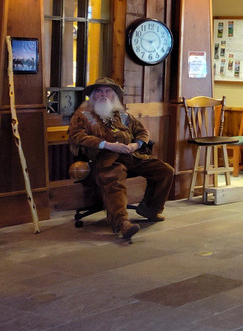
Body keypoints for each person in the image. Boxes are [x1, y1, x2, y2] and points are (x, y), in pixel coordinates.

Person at [67, 78, 175, 240]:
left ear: (113, 95)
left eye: (108, 91)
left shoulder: (122, 115)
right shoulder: (83, 116)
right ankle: (122, 223)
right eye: (99, 91)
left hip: (131, 155)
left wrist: (136, 145)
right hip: (104, 160)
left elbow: (142, 131)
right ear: (92, 95)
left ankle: (150, 209)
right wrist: (107, 145)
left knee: (164, 170)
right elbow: (77, 137)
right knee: (114, 179)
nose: (104, 94)